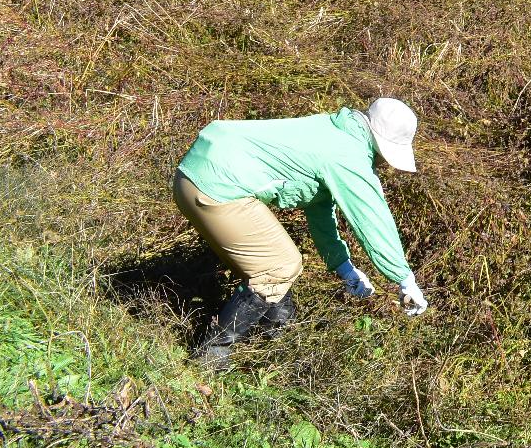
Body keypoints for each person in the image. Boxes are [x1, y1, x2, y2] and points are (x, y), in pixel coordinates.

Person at [172, 97, 428, 366]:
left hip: (191, 177)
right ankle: (211, 358)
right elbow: (373, 219)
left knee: (274, 261)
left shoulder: (332, 131)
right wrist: (404, 278)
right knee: (280, 264)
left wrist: (344, 267)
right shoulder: (348, 154)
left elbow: (319, 209)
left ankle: (280, 342)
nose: (384, 164)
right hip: (216, 188)